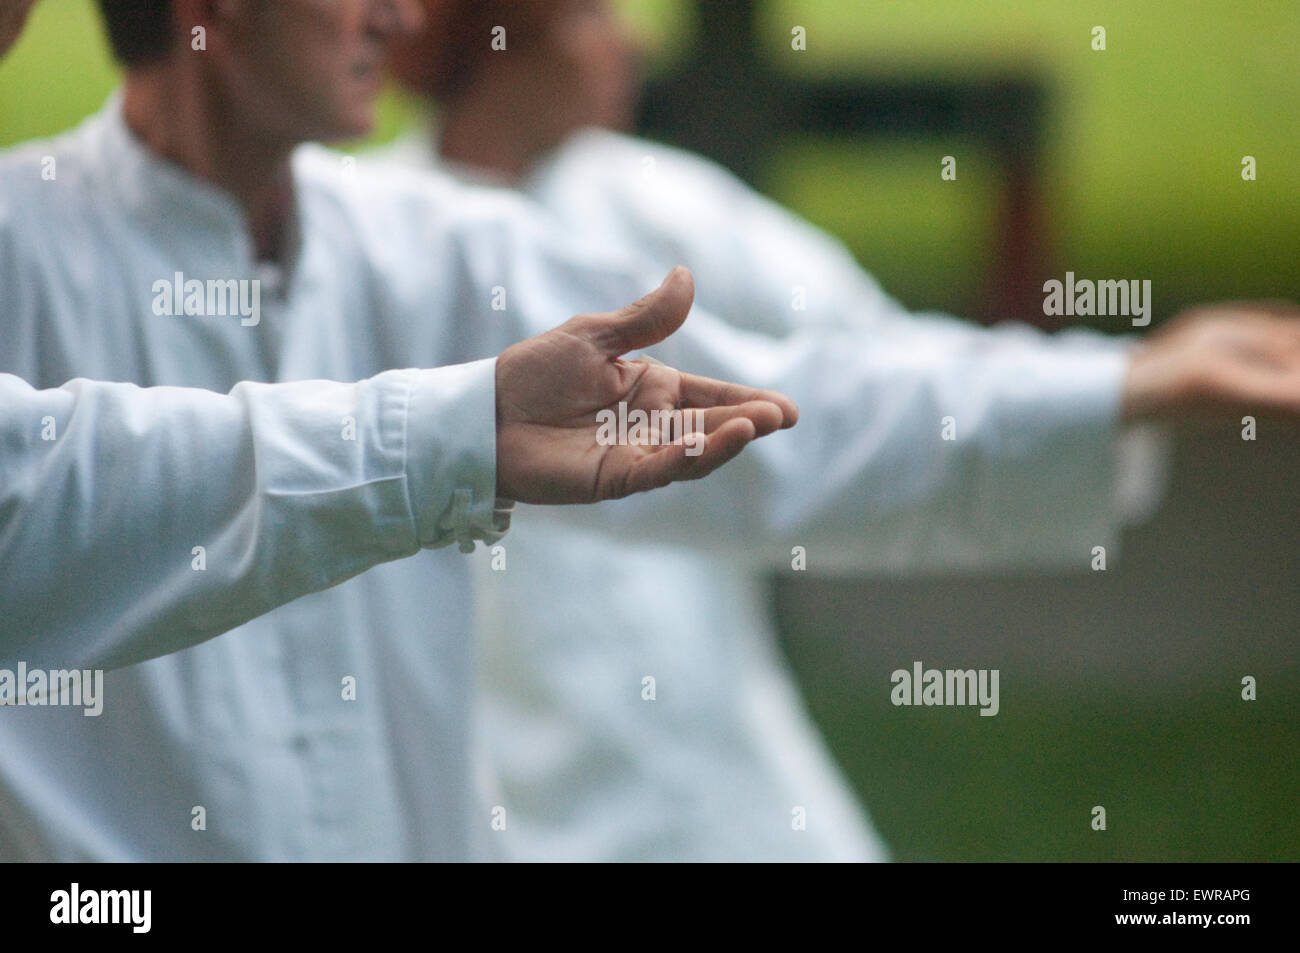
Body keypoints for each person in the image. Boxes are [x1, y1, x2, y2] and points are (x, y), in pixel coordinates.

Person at [382, 0, 1300, 861]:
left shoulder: (657, 203)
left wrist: (1117, 382)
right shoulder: (381, 237)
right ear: (493, 35)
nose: (627, 41)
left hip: (695, 755)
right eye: (586, 12)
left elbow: (868, 367)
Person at [0, 0, 798, 860]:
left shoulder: (418, 237)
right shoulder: (22, 249)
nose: (401, 16)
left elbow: (824, 399)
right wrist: (457, 436)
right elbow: (43, 504)